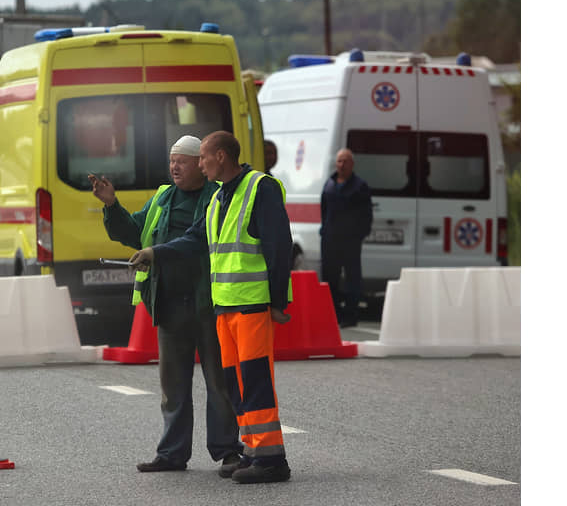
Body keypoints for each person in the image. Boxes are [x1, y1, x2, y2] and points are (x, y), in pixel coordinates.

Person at [129, 130, 294, 484]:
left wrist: (278, 302)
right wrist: (155, 253)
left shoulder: (258, 188)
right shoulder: (221, 195)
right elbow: (194, 238)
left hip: (251, 306)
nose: (200, 164)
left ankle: (271, 458)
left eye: (203, 157)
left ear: (220, 156)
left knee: (255, 381)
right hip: (225, 308)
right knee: (237, 383)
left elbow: (279, 248)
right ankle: (251, 451)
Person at [88, 135, 244, 475]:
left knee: (219, 383)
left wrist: (156, 253)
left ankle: (228, 450)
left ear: (201, 166)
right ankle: (172, 453)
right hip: (170, 304)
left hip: (208, 303)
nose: (175, 166)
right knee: (173, 385)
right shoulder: (163, 197)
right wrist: (111, 205)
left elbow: (197, 239)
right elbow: (134, 233)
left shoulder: (215, 198)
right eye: (172, 160)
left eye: (183, 161)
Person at [320, 148, 373, 329]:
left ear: (352, 164)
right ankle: (333, 314)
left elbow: (366, 215)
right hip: (330, 240)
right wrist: (324, 231)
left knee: (352, 279)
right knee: (330, 279)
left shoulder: (360, 186)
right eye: (339, 161)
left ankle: (351, 315)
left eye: (346, 161)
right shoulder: (329, 184)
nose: (342, 165)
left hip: (350, 240)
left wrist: (359, 234)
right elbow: (324, 210)